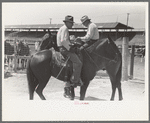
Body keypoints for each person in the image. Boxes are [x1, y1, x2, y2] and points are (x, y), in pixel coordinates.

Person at [57, 15, 83, 89]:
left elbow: (64, 41)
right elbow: (63, 41)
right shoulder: (65, 29)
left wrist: (71, 44)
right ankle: (75, 80)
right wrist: (70, 48)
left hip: (62, 47)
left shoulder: (62, 28)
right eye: (71, 23)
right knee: (78, 63)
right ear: (67, 22)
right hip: (64, 49)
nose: (72, 24)